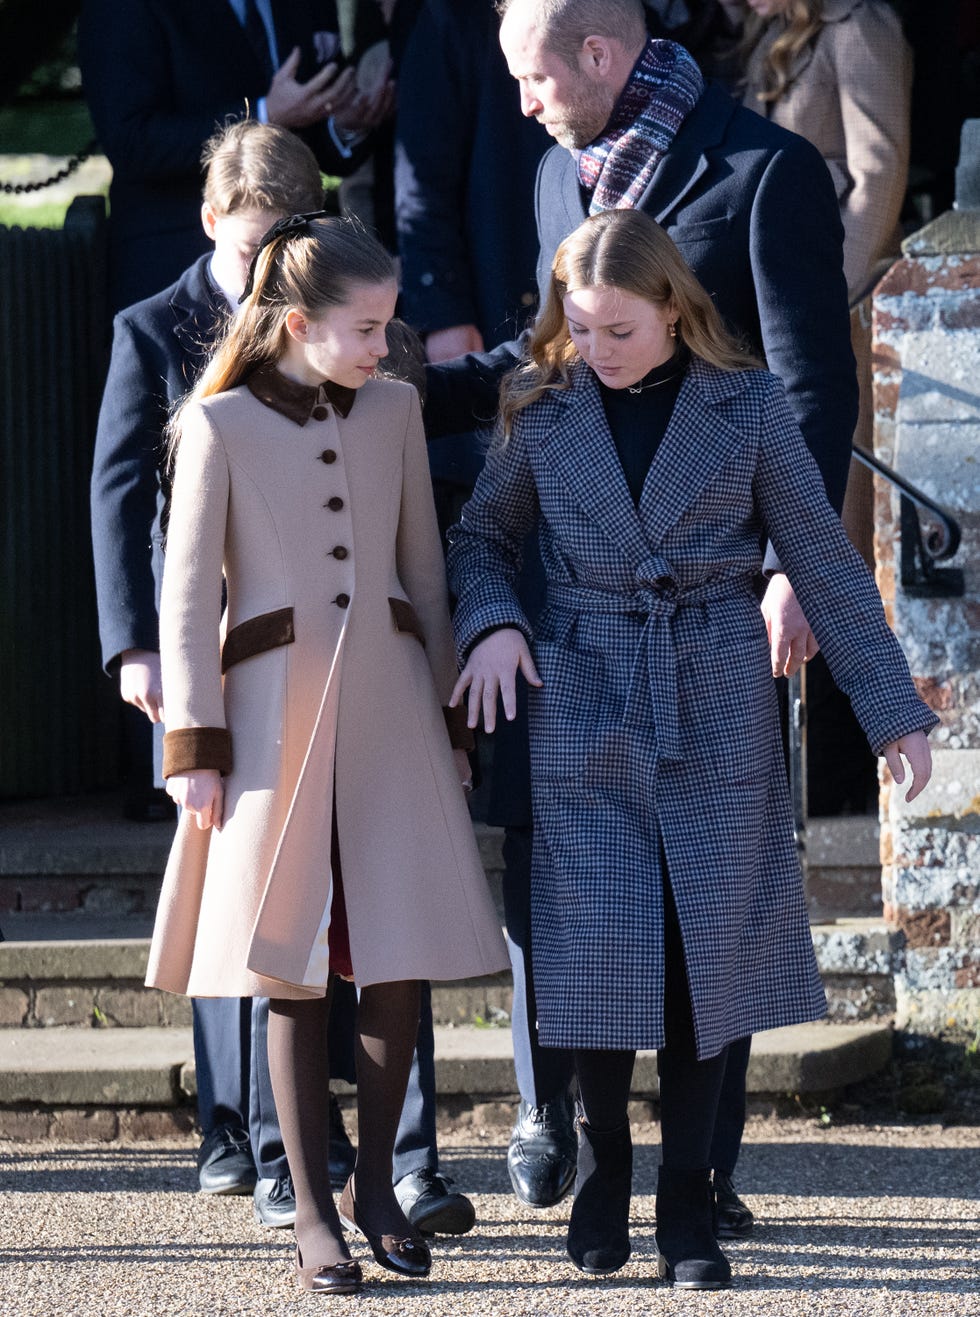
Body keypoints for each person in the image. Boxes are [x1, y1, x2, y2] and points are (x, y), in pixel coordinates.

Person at [424, 0, 859, 1235]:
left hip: (714, 607)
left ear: (601, 57)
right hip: (578, 625)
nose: (520, 102)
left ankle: (700, 1174)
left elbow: (808, 381)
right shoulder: (565, 178)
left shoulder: (763, 170)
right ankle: (556, 1106)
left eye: (531, 75)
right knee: (564, 871)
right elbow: (543, 354)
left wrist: (790, 562)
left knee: (705, 892)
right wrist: (400, 384)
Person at [446, 208, 936, 1290]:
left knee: (697, 952)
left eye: (617, 329)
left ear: (673, 308)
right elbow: (482, 536)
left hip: (713, 689)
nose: (594, 350)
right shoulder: (543, 405)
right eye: (577, 328)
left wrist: (891, 711)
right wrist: (491, 621)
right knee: (590, 946)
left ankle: (687, 1200)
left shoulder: (749, 405)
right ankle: (603, 1170)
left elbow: (819, 557)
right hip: (583, 694)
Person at [144, 213, 509, 1296]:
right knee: (288, 964)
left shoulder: (395, 410)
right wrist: (195, 746)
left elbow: (426, 576)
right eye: (363, 328)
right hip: (266, 727)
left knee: (394, 957)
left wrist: (448, 726)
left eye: (390, 327)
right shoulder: (215, 426)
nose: (381, 348)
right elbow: (183, 599)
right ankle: (310, 1207)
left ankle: (381, 1191)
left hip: (391, 715)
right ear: (297, 323)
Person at [90, 119, 361, 1218]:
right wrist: (133, 646)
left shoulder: (339, 318)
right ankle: (225, 1127)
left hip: (310, 650)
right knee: (216, 886)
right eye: (245, 245)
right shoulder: (152, 327)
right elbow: (119, 496)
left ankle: (302, 1125)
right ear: (210, 222)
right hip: (196, 644)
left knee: (303, 882)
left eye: (277, 246)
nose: (257, 270)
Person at [394, 0, 573, 1211]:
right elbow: (423, 180)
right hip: (496, 438)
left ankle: (571, 1109)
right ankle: (521, 1108)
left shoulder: (660, 123)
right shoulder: (460, 37)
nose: (528, 98)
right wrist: (426, 345)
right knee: (516, 830)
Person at [733, 0, 914, 811]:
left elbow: (879, 174)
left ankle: (844, 782)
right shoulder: (773, 34)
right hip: (776, 332)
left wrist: (811, 302)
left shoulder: (860, 28)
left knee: (831, 534)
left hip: (833, 325)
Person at [77, 0, 394, 310]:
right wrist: (262, 114)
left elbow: (309, 130)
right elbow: (131, 141)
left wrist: (344, 125)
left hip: (297, 273)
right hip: (177, 271)